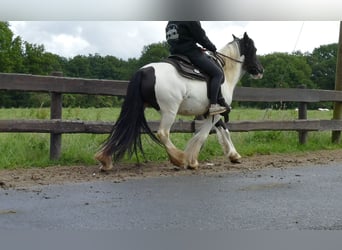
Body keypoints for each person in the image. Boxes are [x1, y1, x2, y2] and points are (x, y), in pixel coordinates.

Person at [165, 21, 226, 116]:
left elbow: (174, 39)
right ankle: (214, 105)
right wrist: (212, 48)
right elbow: (201, 36)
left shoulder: (170, 21)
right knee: (217, 73)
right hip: (190, 53)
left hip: (174, 53)